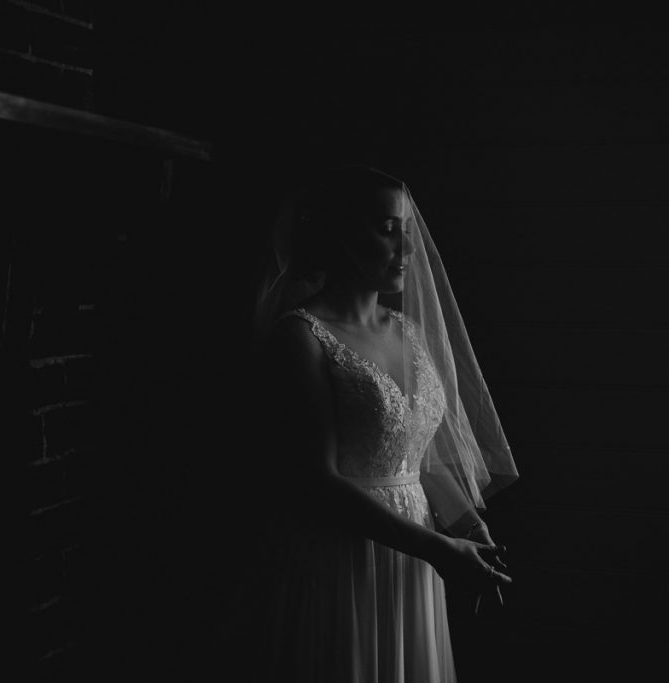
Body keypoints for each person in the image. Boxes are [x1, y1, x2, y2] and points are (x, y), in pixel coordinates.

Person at [222, 166, 519, 682]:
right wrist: (437, 548)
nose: (407, 247)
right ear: (339, 233)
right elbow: (315, 481)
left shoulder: (409, 332)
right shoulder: (301, 338)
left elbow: (418, 456)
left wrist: (470, 529)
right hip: (339, 557)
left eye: (408, 229)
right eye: (387, 229)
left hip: (415, 561)